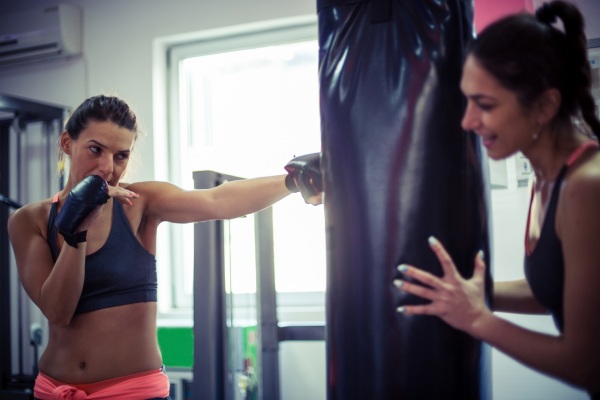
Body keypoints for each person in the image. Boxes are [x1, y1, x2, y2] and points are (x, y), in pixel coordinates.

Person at [7, 94, 322, 400]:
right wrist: (75, 233)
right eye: (95, 149)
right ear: (66, 144)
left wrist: (292, 181)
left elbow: (216, 201)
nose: (106, 167)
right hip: (55, 390)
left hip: (133, 392)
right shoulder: (29, 220)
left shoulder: (138, 204)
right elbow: (58, 312)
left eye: (121, 156)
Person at [393, 1, 600, 397]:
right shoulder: (546, 180)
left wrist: (476, 318)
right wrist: (472, 292)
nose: (467, 121)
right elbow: (553, 290)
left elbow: (586, 363)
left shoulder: (587, 186)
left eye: (485, 105)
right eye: (467, 100)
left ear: (544, 106)